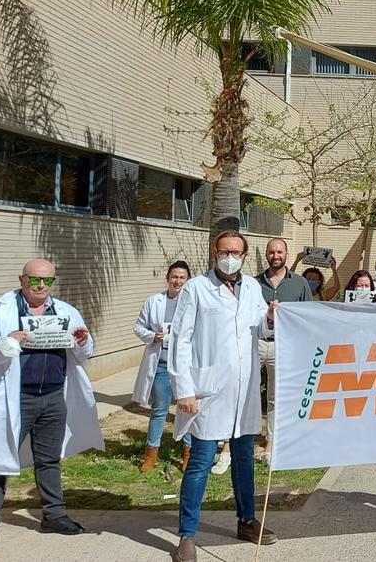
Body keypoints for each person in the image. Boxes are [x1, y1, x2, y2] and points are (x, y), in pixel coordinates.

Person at [0, 259, 103, 555]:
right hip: (14, 398)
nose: (41, 286)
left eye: (48, 281)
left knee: (49, 459)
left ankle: (54, 515)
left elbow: (84, 353)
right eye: (35, 280)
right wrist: (5, 343)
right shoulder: (0, 312)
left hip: (53, 396)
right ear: (22, 279)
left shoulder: (65, 312)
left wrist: (82, 340)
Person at [170, 230, 278, 562]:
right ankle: (187, 536)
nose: (230, 255)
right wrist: (184, 389)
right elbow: (180, 339)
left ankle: (246, 520)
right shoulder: (196, 288)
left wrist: (271, 318)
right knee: (201, 463)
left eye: (236, 251)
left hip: (244, 392)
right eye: (224, 250)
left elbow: (262, 329)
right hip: (207, 391)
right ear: (214, 252)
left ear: (245, 256)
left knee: (244, 460)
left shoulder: (252, 290)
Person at [256, 239, 314, 463]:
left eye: (279, 251)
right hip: (258, 342)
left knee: (275, 397)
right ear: (267, 255)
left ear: (286, 254)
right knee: (244, 394)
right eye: (271, 252)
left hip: (284, 346)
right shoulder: (253, 283)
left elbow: (306, 318)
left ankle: (271, 443)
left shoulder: (299, 284)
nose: (275, 255)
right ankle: (231, 446)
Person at [132, 261, 193, 474]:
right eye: (174, 277)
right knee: (159, 410)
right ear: (168, 278)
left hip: (186, 368)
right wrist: (152, 336)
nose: (178, 281)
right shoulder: (154, 301)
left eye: (182, 278)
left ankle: (188, 453)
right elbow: (139, 326)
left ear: (188, 281)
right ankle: (151, 454)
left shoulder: (193, 303)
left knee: (187, 411)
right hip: (161, 365)